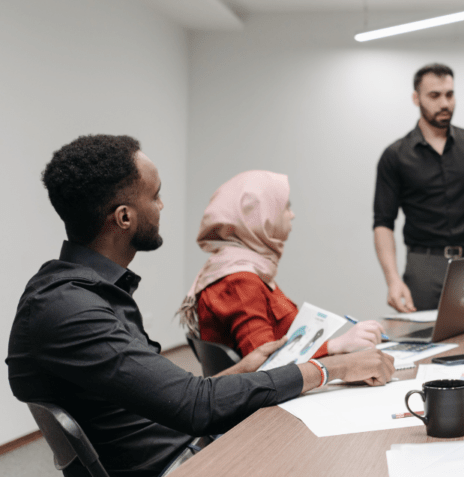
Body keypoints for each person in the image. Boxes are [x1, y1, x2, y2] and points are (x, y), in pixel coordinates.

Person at [8, 135, 395, 477]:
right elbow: (194, 406)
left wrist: (242, 369)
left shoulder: (87, 292)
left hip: (187, 443)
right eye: (154, 195)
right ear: (124, 217)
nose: (162, 205)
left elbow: (175, 395)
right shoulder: (69, 309)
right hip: (180, 462)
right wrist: (329, 369)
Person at [178, 170, 384, 359]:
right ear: (262, 215)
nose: (292, 214)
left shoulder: (243, 269)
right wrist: (335, 345)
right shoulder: (239, 280)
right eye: (286, 207)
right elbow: (264, 363)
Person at [373, 63, 464, 313]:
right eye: (434, 96)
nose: (444, 103)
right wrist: (392, 280)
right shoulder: (395, 156)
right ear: (416, 98)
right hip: (424, 266)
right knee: (425, 345)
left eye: (449, 94)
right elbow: (383, 223)